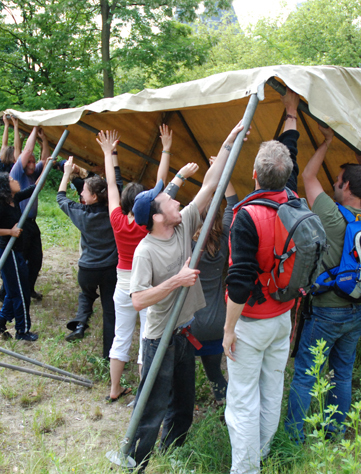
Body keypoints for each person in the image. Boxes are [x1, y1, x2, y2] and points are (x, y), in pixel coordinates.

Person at [126, 120, 248, 470]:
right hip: (158, 339)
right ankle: (136, 461)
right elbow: (137, 300)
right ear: (156, 217)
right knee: (152, 406)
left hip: (184, 333)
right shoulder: (146, 251)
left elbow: (211, 183)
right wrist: (176, 281)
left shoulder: (183, 223)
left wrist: (229, 137)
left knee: (183, 405)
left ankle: (170, 452)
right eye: (169, 201)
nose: (176, 201)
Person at [284, 125, 361, 442]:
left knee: (305, 374)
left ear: (346, 186)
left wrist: (326, 142)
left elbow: (308, 177)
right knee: (342, 373)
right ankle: (335, 433)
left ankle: (293, 439)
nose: (333, 185)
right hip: (359, 311)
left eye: (338, 182)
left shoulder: (332, 215)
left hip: (327, 310)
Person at [223, 89, 300, 474]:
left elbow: (239, 281)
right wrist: (291, 115)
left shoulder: (247, 216)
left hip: (252, 321)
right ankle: (264, 454)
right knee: (272, 390)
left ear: (254, 175)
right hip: (284, 315)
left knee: (242, 398)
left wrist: (228, 330)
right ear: (286, 177)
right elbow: (293, 156)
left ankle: (246, 469)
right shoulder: (295, 204)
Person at [97, 127, 197, 403]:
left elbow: (111, 186)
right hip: (147, 286)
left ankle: (114, 388)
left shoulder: (118, 221)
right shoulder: (148, 229)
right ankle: (143, 395)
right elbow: (163, 184)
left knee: (121, 337)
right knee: (146, 341)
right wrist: (166, 148)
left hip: (123, 286)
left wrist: (109, 154)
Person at [57, 157, 118, 358]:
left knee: (86, 294)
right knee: (110, 312)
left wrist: (66, 173)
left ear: (92, 197)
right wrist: (111, 154)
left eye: (84, 191)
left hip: (88, 270)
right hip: (110, 270)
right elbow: (116, 184)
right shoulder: (113, 214)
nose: (81, 193)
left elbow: (61, 198)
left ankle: (80, 324)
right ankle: (109, 353)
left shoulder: (81, 213)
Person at [190, 158, 237, 406]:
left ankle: (181, 408)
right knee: (214, 373)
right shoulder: (225, 236)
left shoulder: (186, 242)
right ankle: (226, 405)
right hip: (218, 321)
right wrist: (224, 167)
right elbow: (234, 203)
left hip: (191, 324)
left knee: (182, 375)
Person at [0, 173, 38, 341]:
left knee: (13, 290)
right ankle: (22, 331)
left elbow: (35, 187)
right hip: (8, 252)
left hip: (15, 251)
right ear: (6, 187)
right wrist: (9, 232)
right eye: (12, 180)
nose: (16, 181)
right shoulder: (1, 207)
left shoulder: (15, 198)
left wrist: (47, 163)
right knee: (20, 292)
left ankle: (1, 324)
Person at [10, 126, 47, 301]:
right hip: (20, 222)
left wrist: (45, 141)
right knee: (20, 259)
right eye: (29, 162)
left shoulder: (34, 173)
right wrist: (34, 127)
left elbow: (45, 160)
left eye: (34, 162)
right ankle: (11, 292)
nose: (32, 164)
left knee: (36, 259)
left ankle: (29, 288)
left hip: (32, 222)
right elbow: (27, 150)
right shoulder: (18, 173)